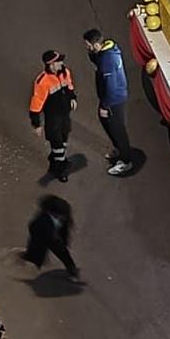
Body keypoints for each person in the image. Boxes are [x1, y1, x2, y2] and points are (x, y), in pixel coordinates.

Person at [83, 27, 134, 175]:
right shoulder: (108, 50)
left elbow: (110, 85)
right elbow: (96, 60)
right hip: (111, 98)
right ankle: (119, 149)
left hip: (113, 99)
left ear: (96, 45)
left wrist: (105, 105)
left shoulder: (107, 60)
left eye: (88, 45)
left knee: (117, 129)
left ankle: (125, 161)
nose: (87, 48)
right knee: (107, 123)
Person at [28, 49, 77, 183]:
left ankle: (55, 159)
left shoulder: (64, 72)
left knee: (64, 141)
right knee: (58, 146)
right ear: (51, 64)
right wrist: (36, 124)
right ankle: (60, 170)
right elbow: (36, 104)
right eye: (58, 61)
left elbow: (69, 86)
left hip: (65, 116)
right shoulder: (42, 81)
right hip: (53, 119)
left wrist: (72, 98)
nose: (61, 63)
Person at [24, 194, 81, 279]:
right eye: (60, 215)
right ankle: (33, 261)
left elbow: (65, 228)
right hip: (42, 235)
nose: (62, 217)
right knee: (37, 250)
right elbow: (33, 228)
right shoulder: (41, 221)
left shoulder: (64, 212)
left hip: (53, 237)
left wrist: (63, 241)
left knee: (62, 252)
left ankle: (71, 268)